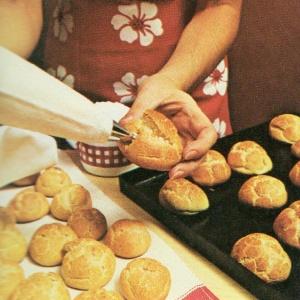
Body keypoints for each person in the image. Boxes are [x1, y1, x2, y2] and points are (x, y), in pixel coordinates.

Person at [0, 0, 242, 179]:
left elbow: (220, 6)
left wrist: (172, 81)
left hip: (179, 100)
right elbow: (16, 7)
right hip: (69, 96)